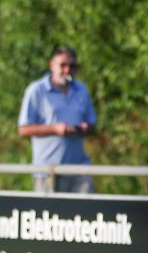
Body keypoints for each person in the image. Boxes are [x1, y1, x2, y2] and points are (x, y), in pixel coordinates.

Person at [18, 46, 97, 194]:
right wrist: (55, 129)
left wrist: (86, 127)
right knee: (49, 209)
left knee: (87, 208)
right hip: (48, 171)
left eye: (72, 66)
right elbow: (23, 129)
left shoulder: (81, 89)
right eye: (63, 65)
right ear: (51, 65)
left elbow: (93, 125)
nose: (67, 70)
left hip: (79, 170)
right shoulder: (36, 90)